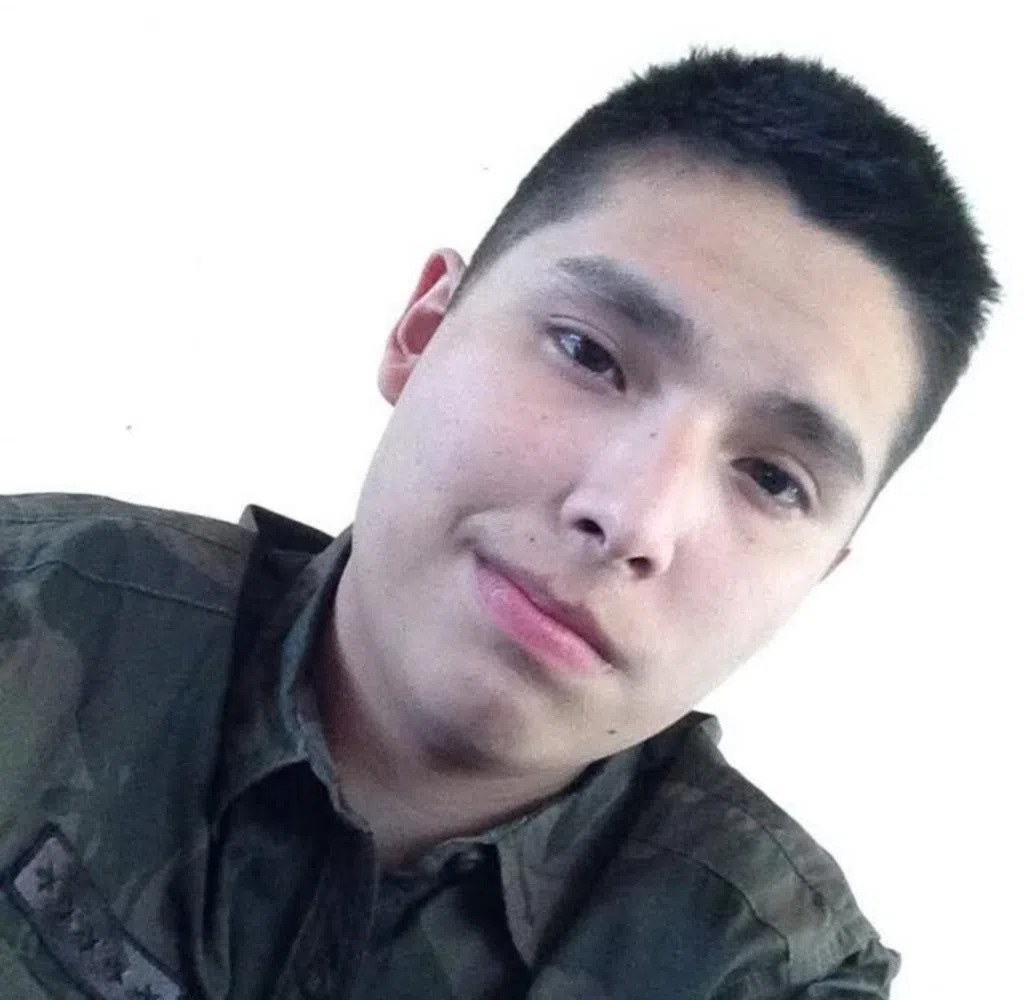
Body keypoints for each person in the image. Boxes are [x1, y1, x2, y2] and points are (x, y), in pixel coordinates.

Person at [0, 49, 998, 1000]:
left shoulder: (767, 970)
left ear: (819, 574)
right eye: (589, 353)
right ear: (420, 331)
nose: (631, 517)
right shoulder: (25, 613)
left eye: (773, 479)